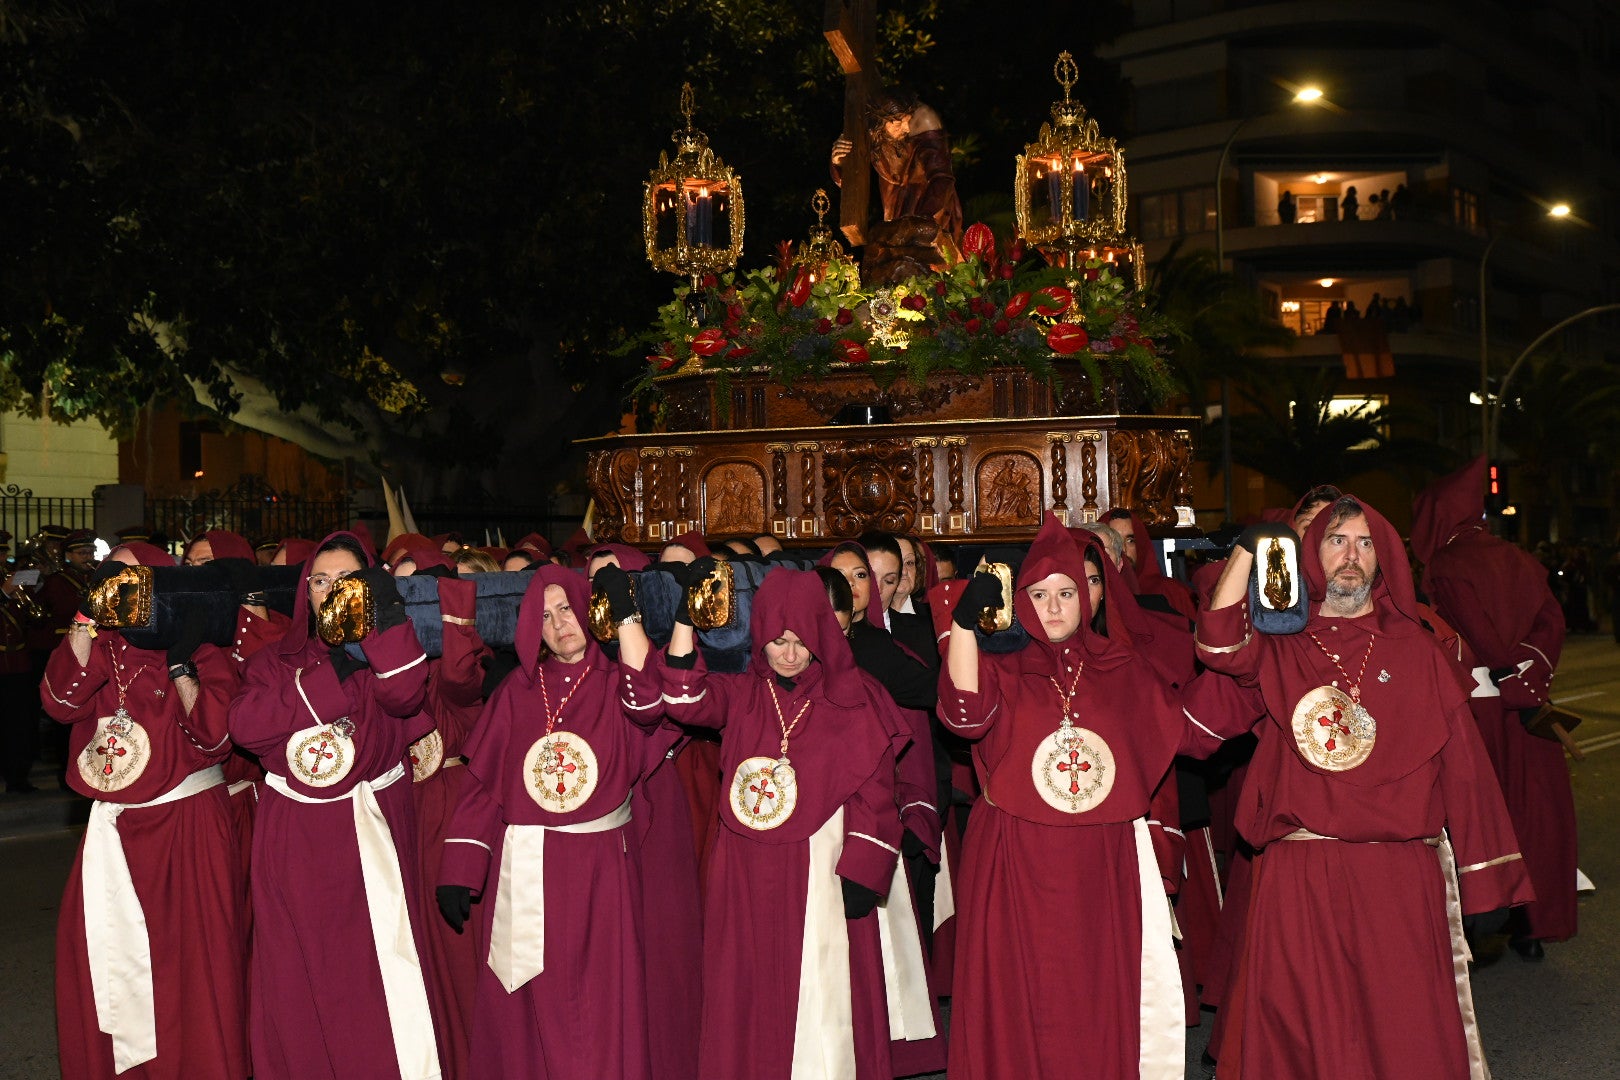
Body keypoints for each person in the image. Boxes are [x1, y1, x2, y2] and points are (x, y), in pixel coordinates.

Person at [1195, 494, 1532, 1078]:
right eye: (1336, 540)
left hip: (1396, 879)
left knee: (1401, 1037)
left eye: (1366, 542)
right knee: (1299, 1038)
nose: (1351, 556)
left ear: (1384, 559)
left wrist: (1487, 879)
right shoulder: (1280, 643)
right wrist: (1252, 550)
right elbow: (1219, 642)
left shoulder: (1418, 650)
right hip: (1298, 875)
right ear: (1310, 554)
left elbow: (1466, 770)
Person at [935, 514, 1227, 1078]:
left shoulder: (1124, 669)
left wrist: (1246, 663)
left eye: (1067, 592)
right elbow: (966, 718)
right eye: (1039, 594)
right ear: (1020, 601)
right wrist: (965, 628)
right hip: (1013, 858)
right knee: (1016, 999)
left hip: (1100, 861)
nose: (1053, 606)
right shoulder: (1002, 666)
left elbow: (1190, 729)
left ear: (1089, 599)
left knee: (1094, 999)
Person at [652, 568, 909, 1079]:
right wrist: (686, 617)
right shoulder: (743, 692)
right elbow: (683, 697)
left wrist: (864, 865)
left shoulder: (852, 696)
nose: (789, 654)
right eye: (776, 641)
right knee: (745, 988)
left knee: (819, 988)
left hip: (820, 863)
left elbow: (878, 791)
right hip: (745, 867)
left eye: (799, 641)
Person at [436, 563, 676, 1080]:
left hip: (600, 873)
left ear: (588, 611)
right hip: (526, 867)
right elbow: (482, 788)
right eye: (544, 616)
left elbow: (651, 706)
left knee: (602, 1002)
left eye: (566, 608)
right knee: (526, 1006)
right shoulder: (518, 693)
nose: (559, 624)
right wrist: (460, 866)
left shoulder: (619, 683)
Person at [229, 531, 442, 1080]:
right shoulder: (275, 659)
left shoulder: (391, 649)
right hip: (298, 844)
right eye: (320, 581)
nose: (330, 592)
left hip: (373, 835)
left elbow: (405, 696)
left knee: (376, 980)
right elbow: (248, 729)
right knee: (298, 983)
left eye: (347, 581)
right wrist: (329, 678)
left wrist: (377, 634)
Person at [44, 541, 249, 1079]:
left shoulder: (203, 643)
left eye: (132, 578)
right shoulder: (101, 646)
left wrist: (181, 659)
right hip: (112, 834)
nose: (120, 586)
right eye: (111, 577)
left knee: (189, 970)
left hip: (185, 831)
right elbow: (60, 703)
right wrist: (87, 618)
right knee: (102, 962)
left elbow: (216, 738)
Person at [1411, 457, 1576, 959]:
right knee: (1535, 815)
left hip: (1475, 712)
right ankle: (1531, 926)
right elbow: (1551, 623)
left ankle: (1481, 922)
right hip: (1525, 705)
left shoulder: (1446, 565)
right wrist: (1526, 680)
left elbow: (1470, 626)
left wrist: (1504, 672)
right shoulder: (1519, 559)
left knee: (1481, 820)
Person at [830, 87, 964, 285]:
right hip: (893, 201)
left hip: (932, 202)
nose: (907, 128)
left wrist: (923, 219)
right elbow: (850, 183)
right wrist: (839, 163)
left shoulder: (925, 120)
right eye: (897, 122)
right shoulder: (867, 130)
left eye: (908, 119)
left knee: (933, 262)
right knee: (890, 261)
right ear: (879, 121)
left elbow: (942, 177)